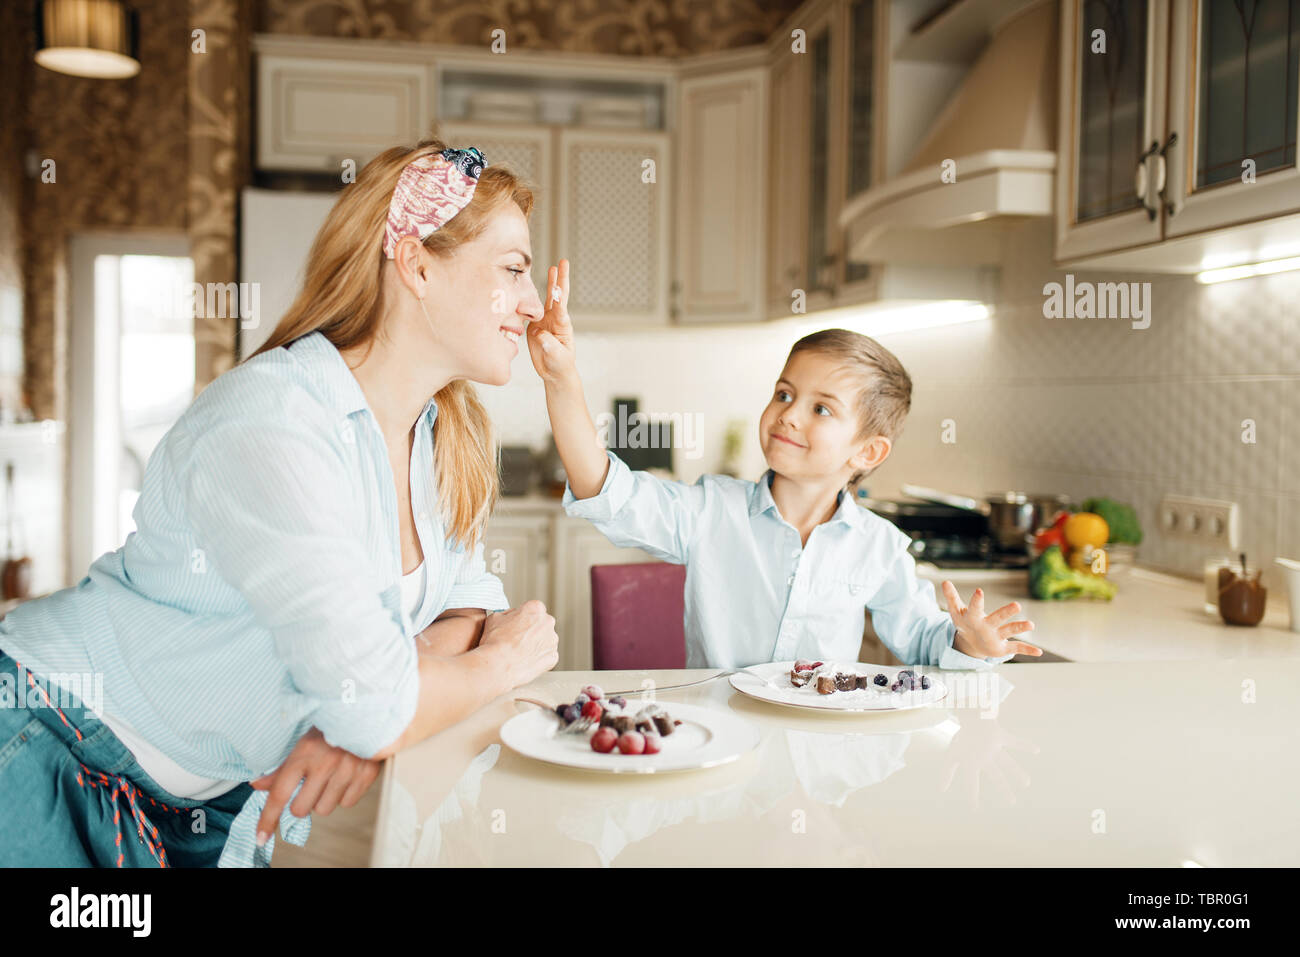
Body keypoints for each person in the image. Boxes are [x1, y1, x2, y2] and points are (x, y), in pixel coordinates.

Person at [0, 140, 559, 867]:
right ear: (417, 263)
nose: (534, 303)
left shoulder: (439, 435)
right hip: (50, 742)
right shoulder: (272, 421)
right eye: (513, 269)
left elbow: (469, 603)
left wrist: (389, 695)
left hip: (205, 796)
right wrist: (494, 664)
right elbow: (402, 692)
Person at [528, 260, 1040, 670]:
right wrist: (561, 378)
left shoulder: (878, 547)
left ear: (867, 452)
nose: (788, 415)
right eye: (783, 393)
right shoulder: (711, 511)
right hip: (722, 749)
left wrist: (972, 643)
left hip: (818, 768)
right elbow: (605, 489)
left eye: (820, 408)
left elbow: (926, 642)